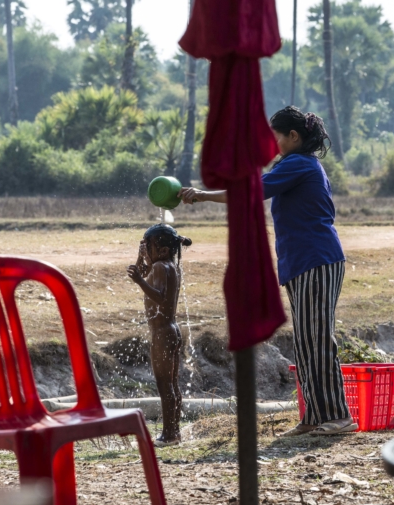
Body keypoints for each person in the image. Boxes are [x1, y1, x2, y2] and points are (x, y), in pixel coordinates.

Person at [178, 106, 356, 436]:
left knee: (317, 339)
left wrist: (201, 195)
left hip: (317, 259)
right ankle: (314, 416)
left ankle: (340, 416)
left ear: (293, 136)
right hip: (301, 263)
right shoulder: (292, 164)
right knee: (305, 343)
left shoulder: (300, 164)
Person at [126, 224, 192, 446]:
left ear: (163, 250)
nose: (146, 252)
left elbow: (161, 298)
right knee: (172, 385)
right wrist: (140, 257)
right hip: (170, 330)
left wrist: (139, 281)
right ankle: (174, 432)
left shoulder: (162, 267)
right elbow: (143, 272)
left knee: (165, 386)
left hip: (163, 334)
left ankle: (169, 434)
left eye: (149, 247)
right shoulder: (167, 266)